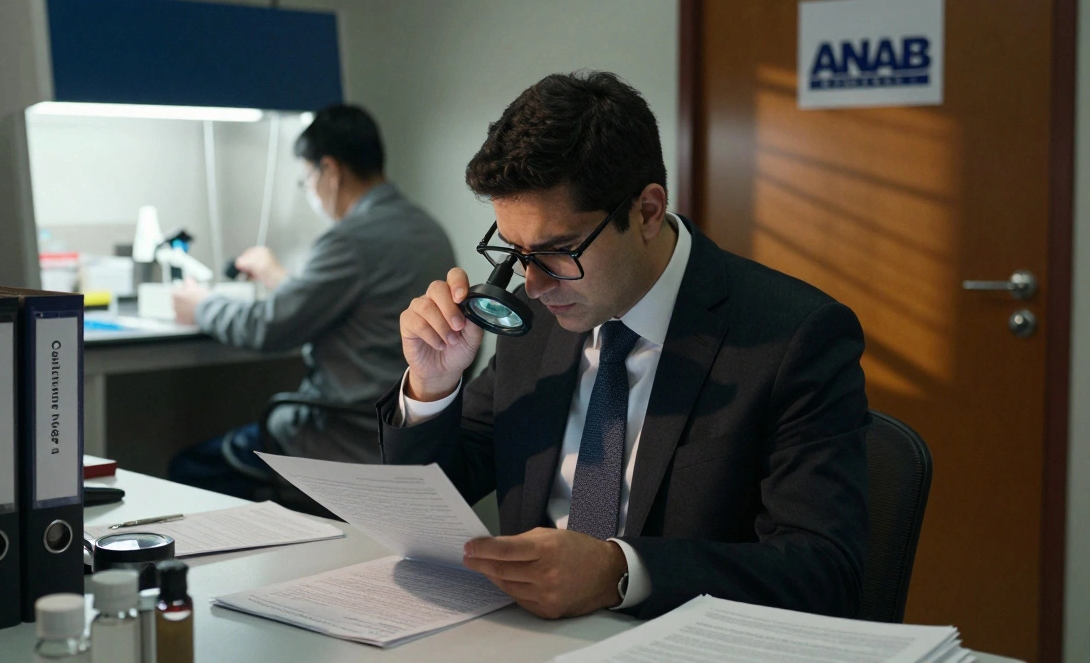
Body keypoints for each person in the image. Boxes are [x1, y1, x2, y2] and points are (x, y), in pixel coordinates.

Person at [381, 72, 868, 620]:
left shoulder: (793, 337)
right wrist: (432, 386)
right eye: (515, 251)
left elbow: (823, 569)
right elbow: (436, 500)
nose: (533, 286)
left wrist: (620, 573)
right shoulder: (540, 316)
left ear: (647, 211)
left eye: (559, 250)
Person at [170, 104, 456, 499]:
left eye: (306, 180)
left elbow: (266, 328)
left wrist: (201, 304)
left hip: (340, 436)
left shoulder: (352, 238)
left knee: (188, 468)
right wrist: (278, 278)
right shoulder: (427, 230)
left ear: (330, 170)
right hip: (401, 433)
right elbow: (361, 310)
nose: (311, 192)